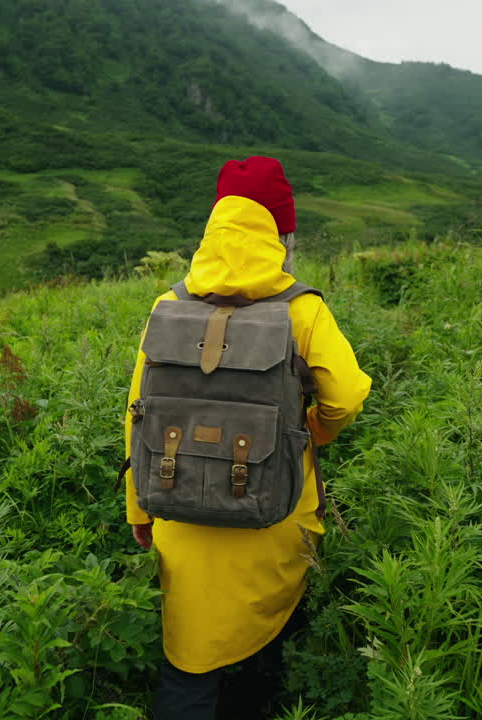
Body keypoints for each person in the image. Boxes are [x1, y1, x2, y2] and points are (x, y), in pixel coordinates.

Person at [123, 156, 372, 719]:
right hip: (276, 514)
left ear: (215, 227)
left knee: (187, 664)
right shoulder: (301, 309)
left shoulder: (168, 306)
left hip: (180, 512)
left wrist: (139, 507)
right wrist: (313, 433)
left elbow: (136, 413)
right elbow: (348, 396)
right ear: (282, 234)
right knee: (265, 652)